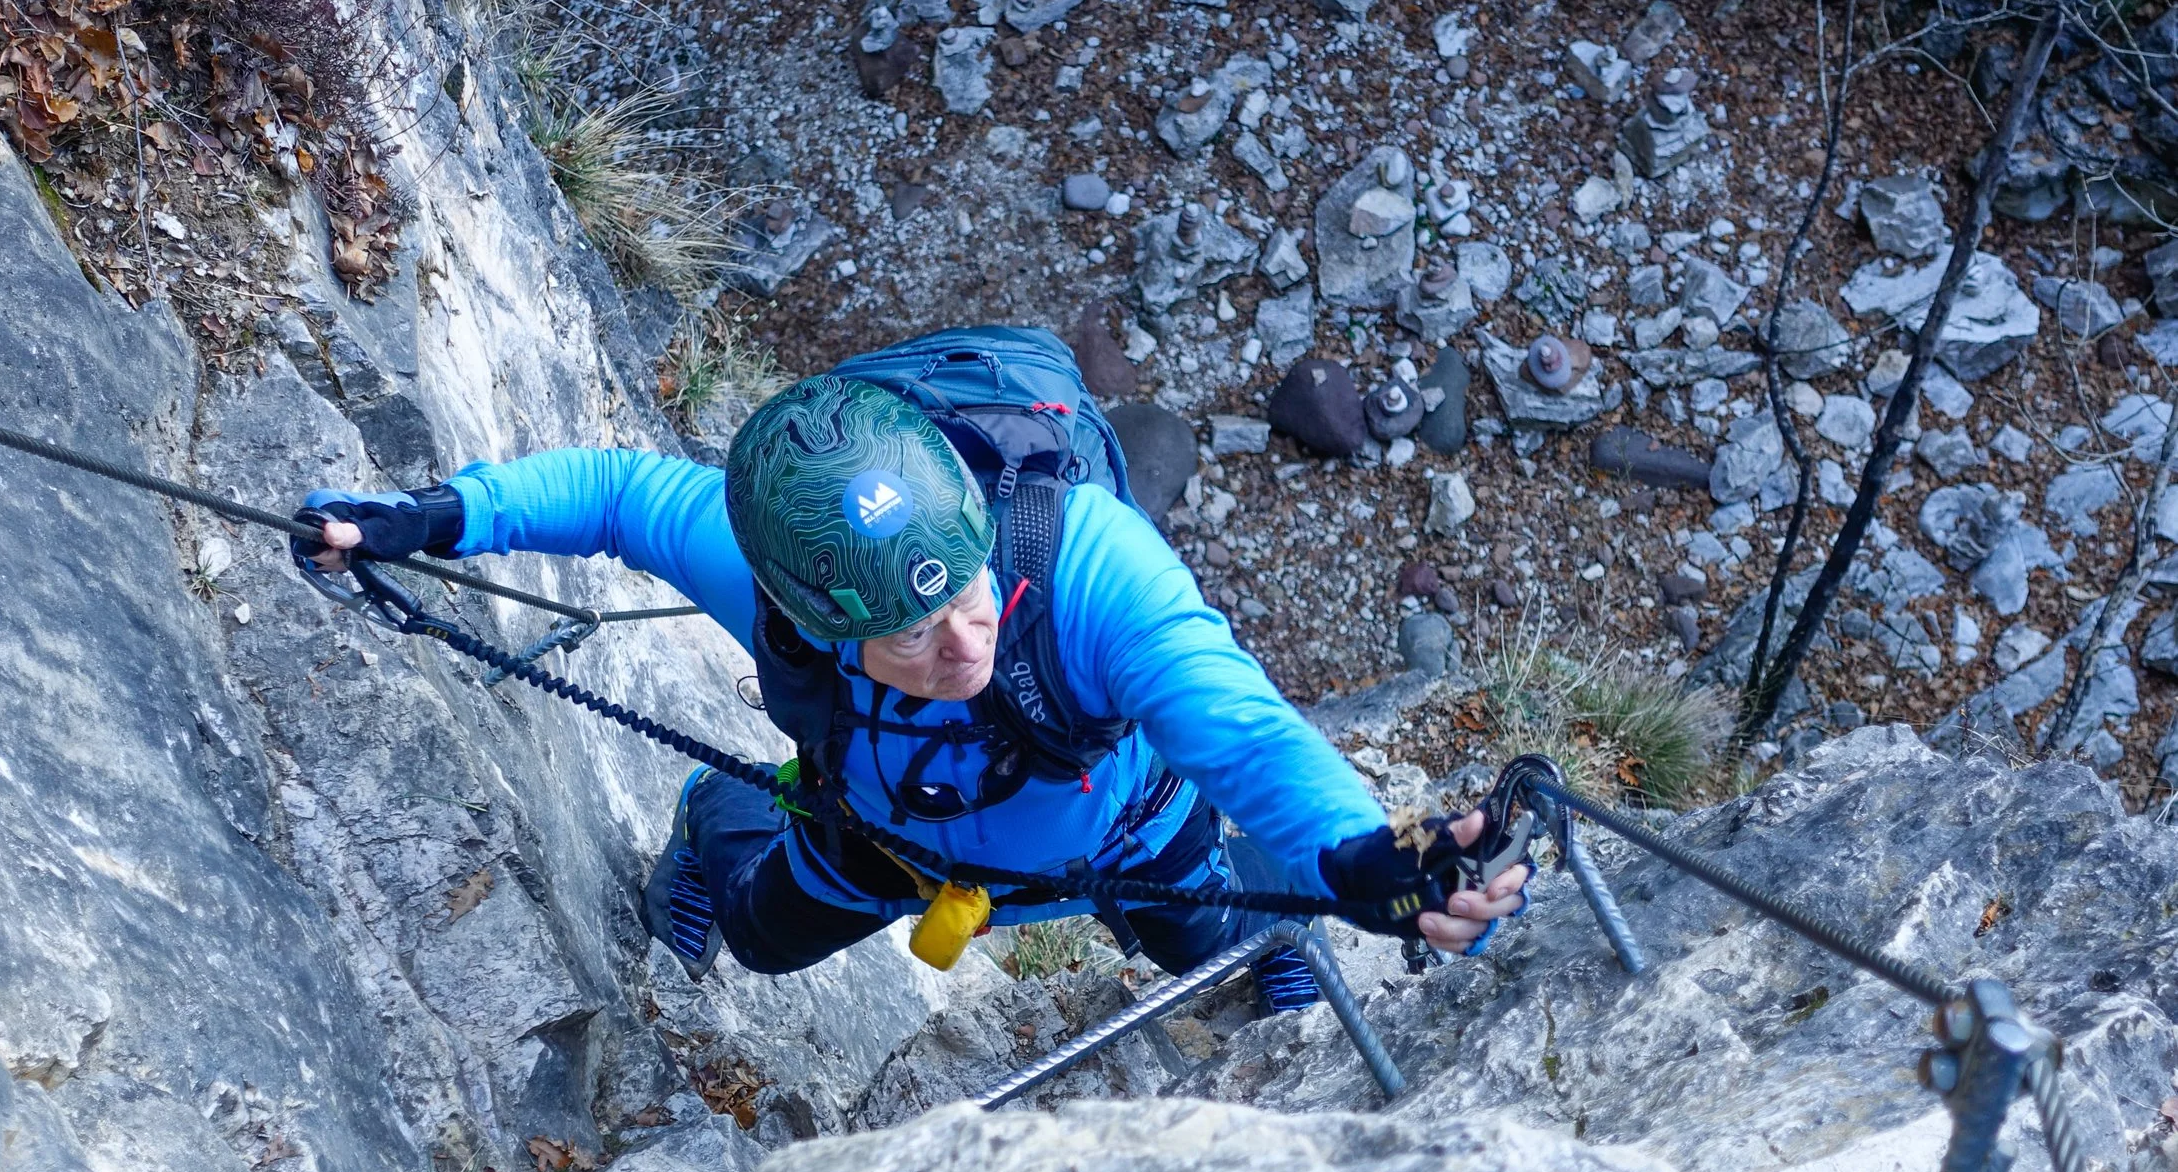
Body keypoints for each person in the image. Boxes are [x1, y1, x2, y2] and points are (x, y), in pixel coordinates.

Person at [297, 374, 1527, 1005]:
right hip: (878, 838)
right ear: (817, 622)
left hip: (1125, 834)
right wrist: (436, 518)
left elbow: (1239, 723)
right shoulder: (780, 572)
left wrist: (1361, 851)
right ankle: (714, 821)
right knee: (764, 942)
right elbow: (619, 495)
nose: (964, 638)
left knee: (1203, 934)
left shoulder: (1087, 565)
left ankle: (1258, 936)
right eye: (909, 634)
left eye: (968, 590)